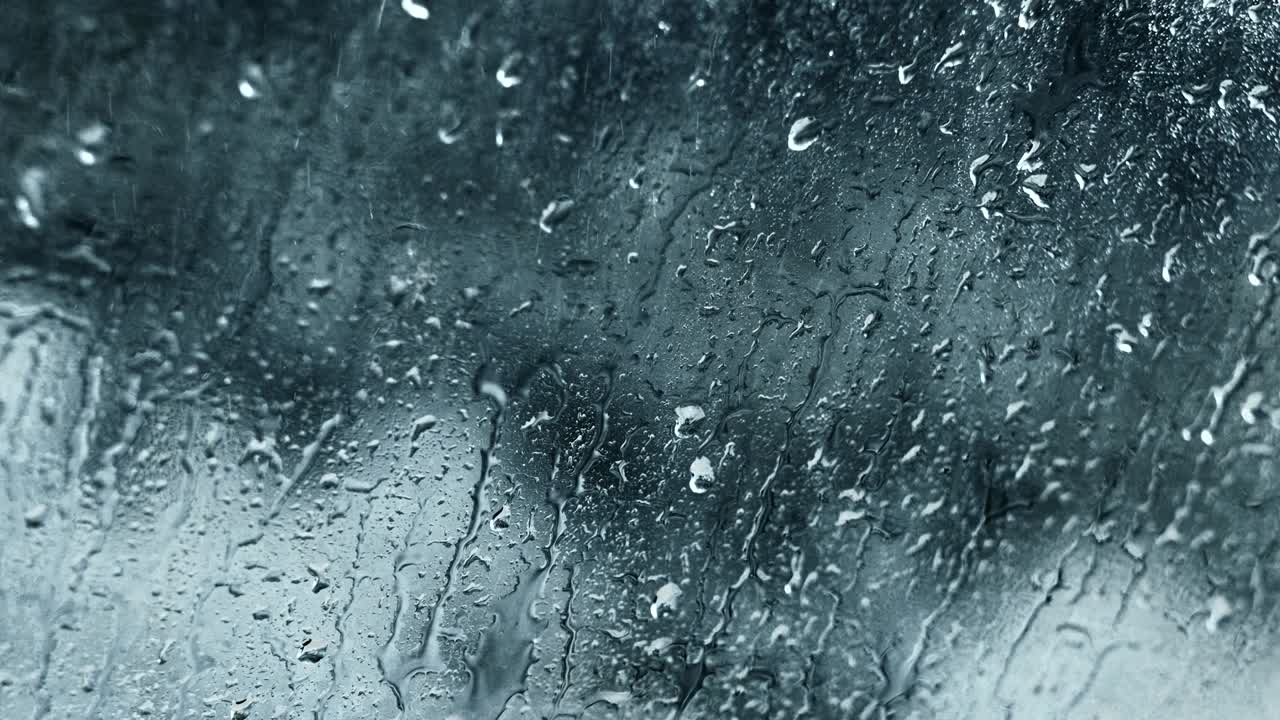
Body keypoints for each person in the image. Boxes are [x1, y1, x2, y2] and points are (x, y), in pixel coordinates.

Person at [2, 1, 1278, 718]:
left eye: (810, 202)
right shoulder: (435, 490)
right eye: (744, 196)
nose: (668, 201)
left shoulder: (1103, 626)